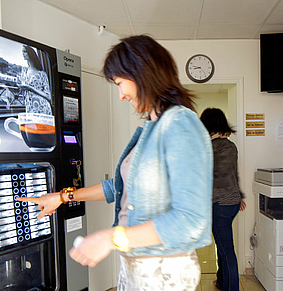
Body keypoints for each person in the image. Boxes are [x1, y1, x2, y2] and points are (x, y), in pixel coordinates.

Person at [18, 35, 213, 290]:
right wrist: (63, 197)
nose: (121, 95)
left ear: (143, 73)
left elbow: (191, 222)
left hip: (163, 270)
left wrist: (110, 238)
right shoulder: (153, 128)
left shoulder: (180, 124)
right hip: (136, 264)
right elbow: (119, 187)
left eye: (121, 83)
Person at [200, 108, 246, 291]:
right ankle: (221, 282)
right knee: (222, 243)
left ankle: (232, 287)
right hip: (231, 201)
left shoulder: (208, 147)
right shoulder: (230, 146)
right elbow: (233, 174)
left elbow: (207, 178)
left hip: (219, 203)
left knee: (226, 249)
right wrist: (239, 195)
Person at [20, 45, 52, 115]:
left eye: (25, 51)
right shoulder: (24, 72)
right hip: (30, 107)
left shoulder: (42, 74)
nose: (23, 53)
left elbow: (48, 96)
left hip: (42, 107)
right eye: (22, 51)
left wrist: (31, 88)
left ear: (30, 54)